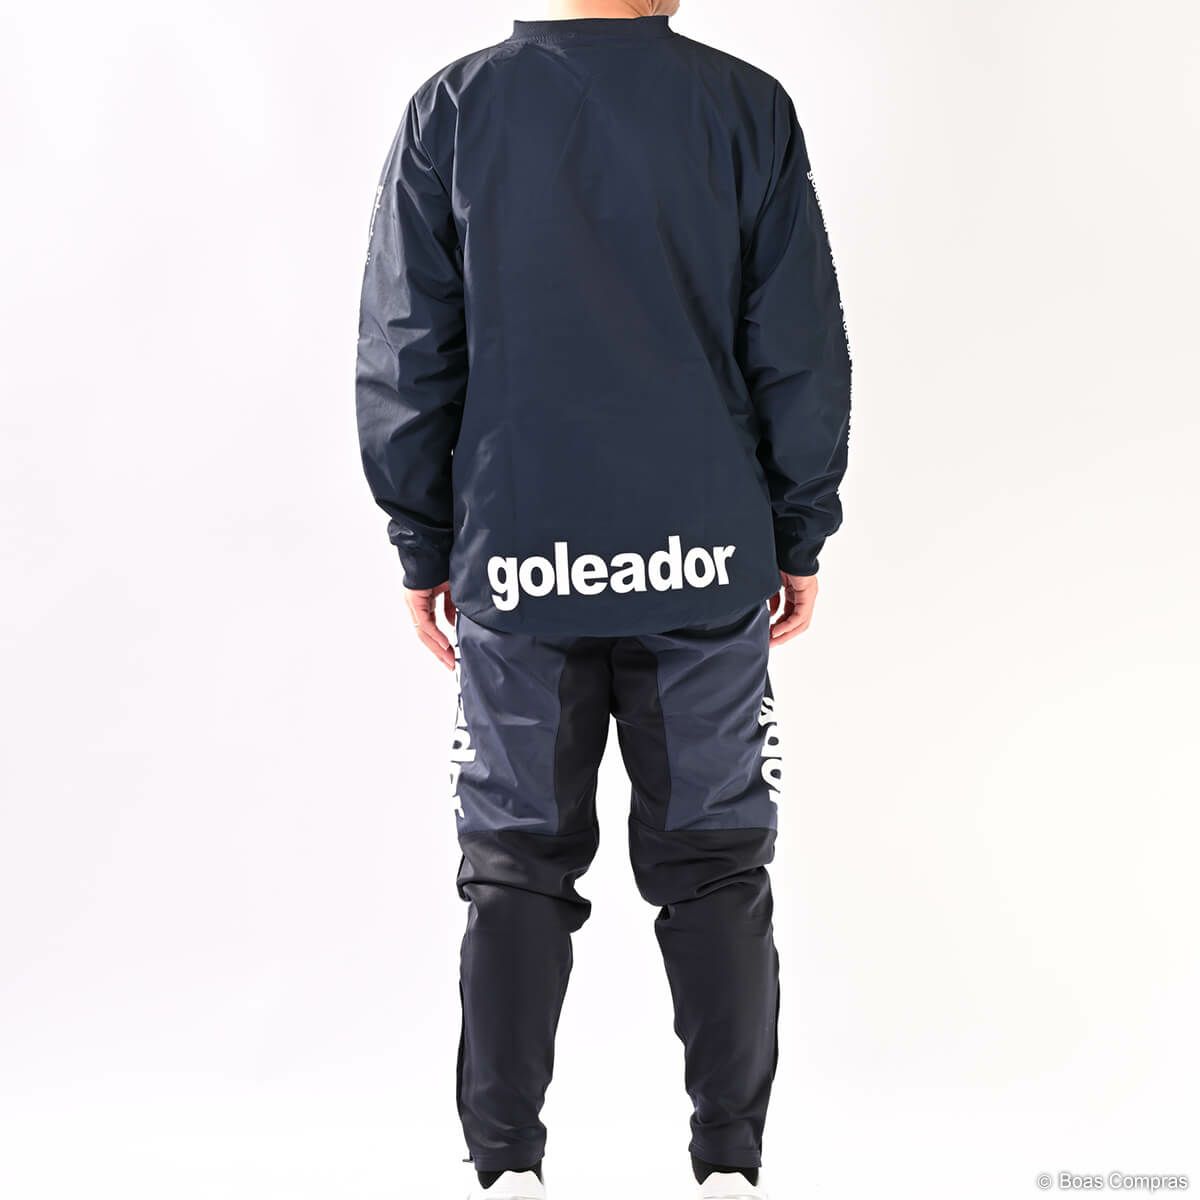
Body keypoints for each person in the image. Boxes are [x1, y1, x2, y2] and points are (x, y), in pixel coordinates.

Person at [355, 0, 851, 1195]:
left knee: (514, 867)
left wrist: (423, 541)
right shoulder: (743, 107)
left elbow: (410, 343)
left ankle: (506, 1171)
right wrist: (798, 529)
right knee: (718, 863)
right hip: (703, 565)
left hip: (521, 561)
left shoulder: (453, 110)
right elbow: (797, 342)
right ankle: (728, 1169)